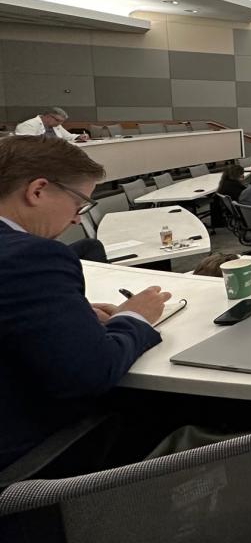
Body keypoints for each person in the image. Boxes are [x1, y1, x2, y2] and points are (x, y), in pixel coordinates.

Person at [0, 136, 169, 470]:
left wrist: (68, 318)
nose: (78, 219)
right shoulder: (31, 257)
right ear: (38, 191)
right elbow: (91, 373)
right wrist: (135, 316)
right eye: (79, 204)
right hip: (31, 457)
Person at [14, 107, 88, 142]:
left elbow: (67, 136)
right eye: (58, 120)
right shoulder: (27, 125)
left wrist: (79, 136)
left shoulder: (56, 125)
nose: (60, 124)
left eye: (62, 122)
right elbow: (26, 145)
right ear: (47, 116)